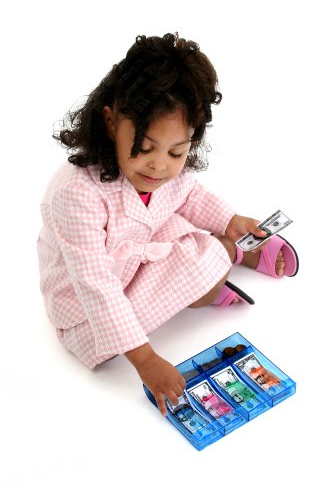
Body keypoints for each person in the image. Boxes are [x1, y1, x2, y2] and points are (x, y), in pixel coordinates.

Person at [37, 33, 298, 417]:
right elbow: (97, 286)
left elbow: (190, 194)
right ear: (110, 122)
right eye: (144, 148)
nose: (159, 166)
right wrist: (145, 359)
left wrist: (231, 219)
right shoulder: (76, 193)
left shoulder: (162, 172)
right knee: (206, 267)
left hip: (138, 250)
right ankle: (229, 252)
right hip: (87, 309)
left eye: (177, 152)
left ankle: (232, 245)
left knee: (199, 249)